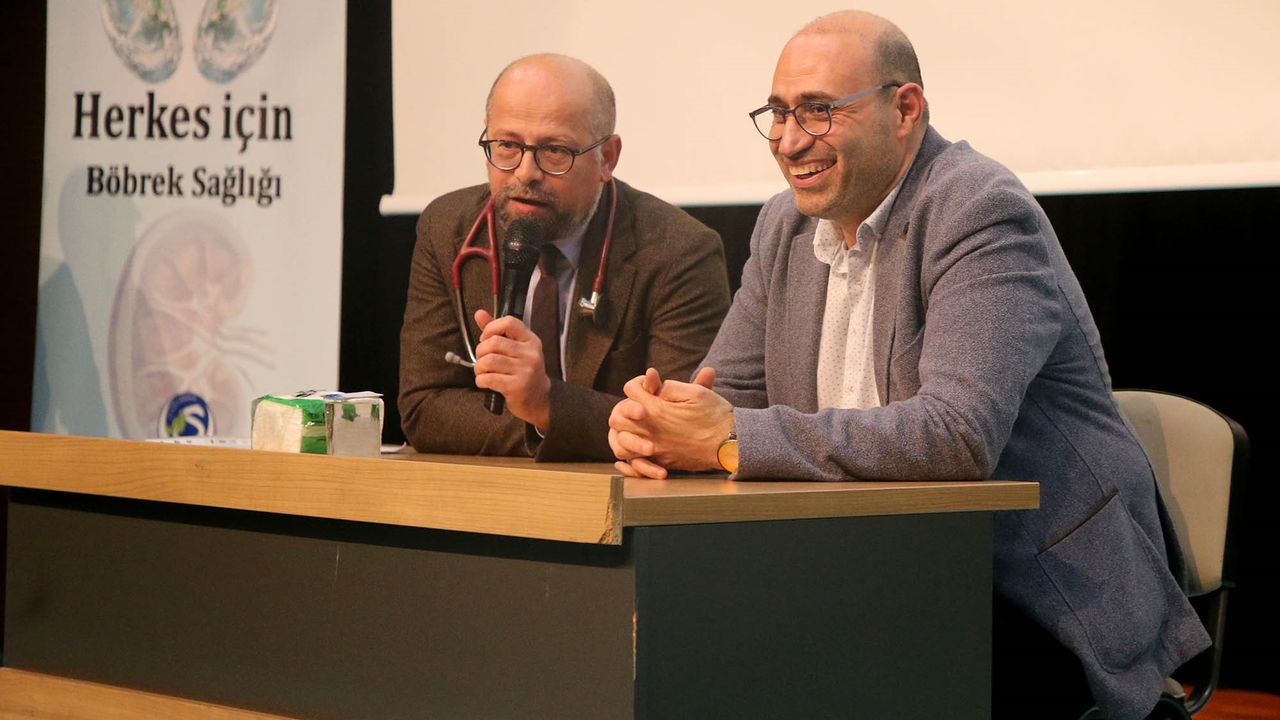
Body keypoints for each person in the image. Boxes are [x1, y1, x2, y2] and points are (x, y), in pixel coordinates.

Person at [607, 12, 1209, 720]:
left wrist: (724, 437)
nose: (789, 140)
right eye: (779, 112)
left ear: (905, 109)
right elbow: (727, 393)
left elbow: (956, 435)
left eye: (819, 111)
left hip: (1031, 589)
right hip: (862, 572)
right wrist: (658, 424)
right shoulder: (783, 225)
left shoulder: (979, 210)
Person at [400, 54, 729, 461]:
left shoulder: (679, 250)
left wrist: (546, 404)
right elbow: (424, 407)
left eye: (554, 151)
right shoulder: (447, 227)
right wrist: (541, 424)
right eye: (507, 145)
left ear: (607, 158)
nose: (525, 172)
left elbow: (680, 426)